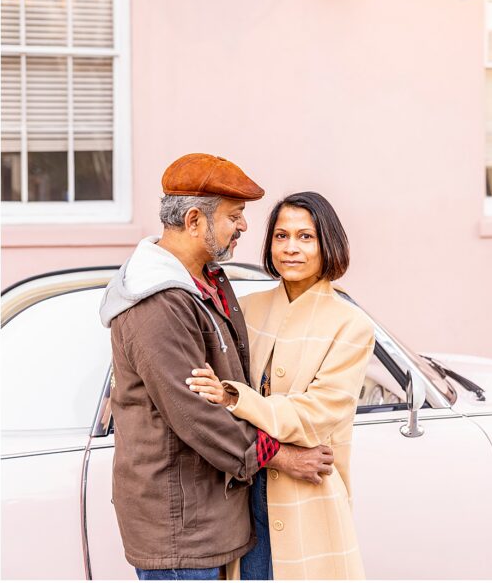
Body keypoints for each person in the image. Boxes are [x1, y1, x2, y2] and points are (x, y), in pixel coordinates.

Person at [99, 154, 336, 580]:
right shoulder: (158, 302)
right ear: (194, 220)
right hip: (181, 529)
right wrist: (281, 456)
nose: (244, 226)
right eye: (234, 215)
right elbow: (195, 414)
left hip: (210, 514)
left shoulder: (206, 281)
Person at [186, 191, 375, 580]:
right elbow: (208, 399)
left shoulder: (351, 325)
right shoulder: (246, 308)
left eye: (306, 237)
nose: (291, 248)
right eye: (281, 236)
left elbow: (313, 418)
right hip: (242, 493)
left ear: (328, 243)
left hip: (308, 495)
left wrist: (235, 398)